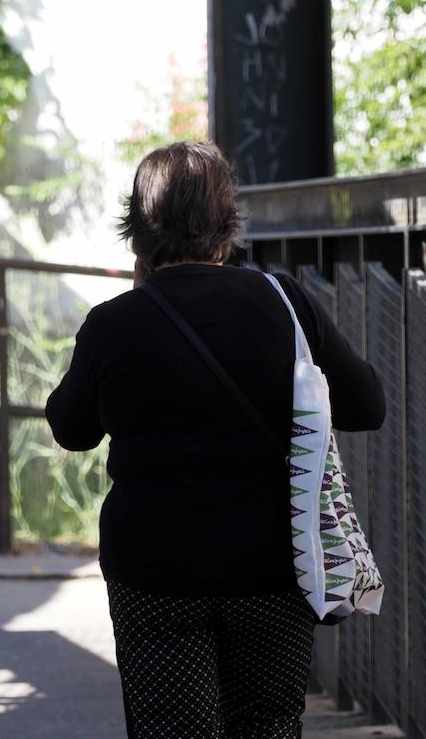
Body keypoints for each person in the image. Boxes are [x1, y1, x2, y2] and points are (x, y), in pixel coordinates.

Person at [45, 141, 385, 738]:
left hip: (157, 575)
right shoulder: (285, 304)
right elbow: (366, 406)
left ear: (138, 229)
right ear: (227, 223)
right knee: (268, 725)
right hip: (271, 569)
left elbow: (70, 429)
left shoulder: (115, 322)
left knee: (171, 730)